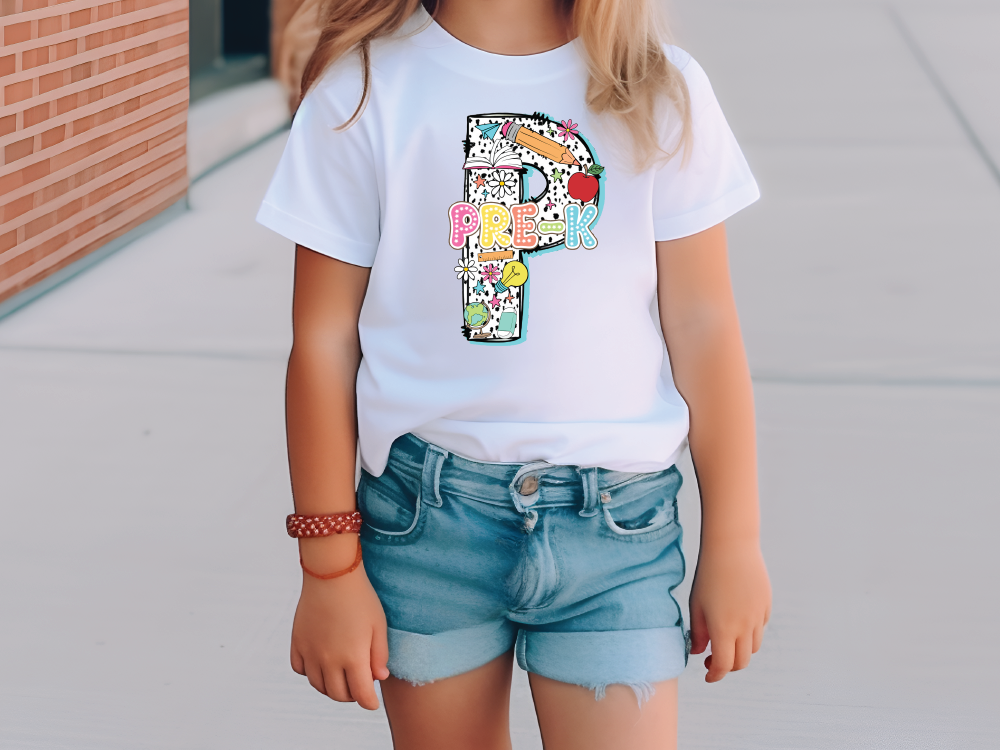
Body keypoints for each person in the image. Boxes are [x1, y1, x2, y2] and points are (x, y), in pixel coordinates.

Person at [257, 0, 771, 747]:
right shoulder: (363, 86)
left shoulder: (659, 88)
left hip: (615, 530)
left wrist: (735, 541)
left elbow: (704, 326)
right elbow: (323, 338)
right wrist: (328, 568)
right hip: (426, 526)